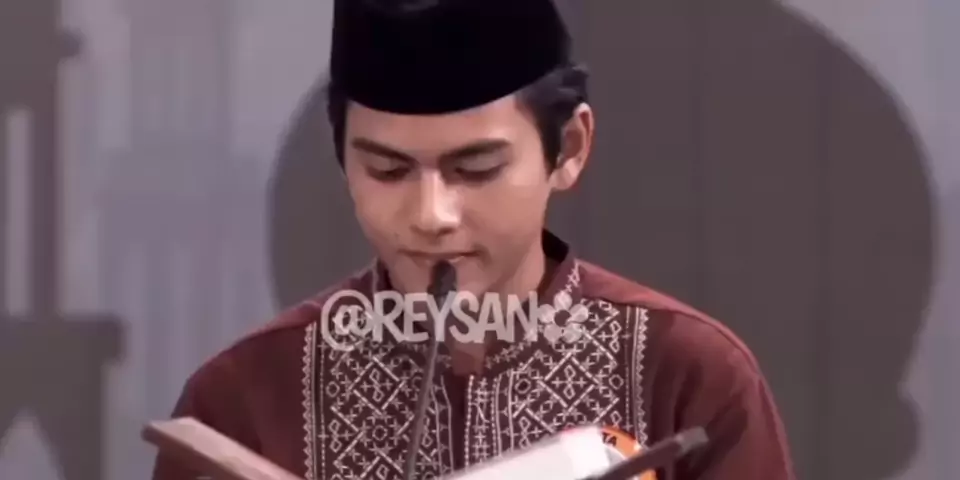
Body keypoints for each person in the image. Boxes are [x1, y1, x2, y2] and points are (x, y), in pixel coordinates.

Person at [152, 0, 796, 479]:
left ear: (569, 148)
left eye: (476, 169)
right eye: (387, 170)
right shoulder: (242, 400)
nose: (430, 215)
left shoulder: (688, 379)